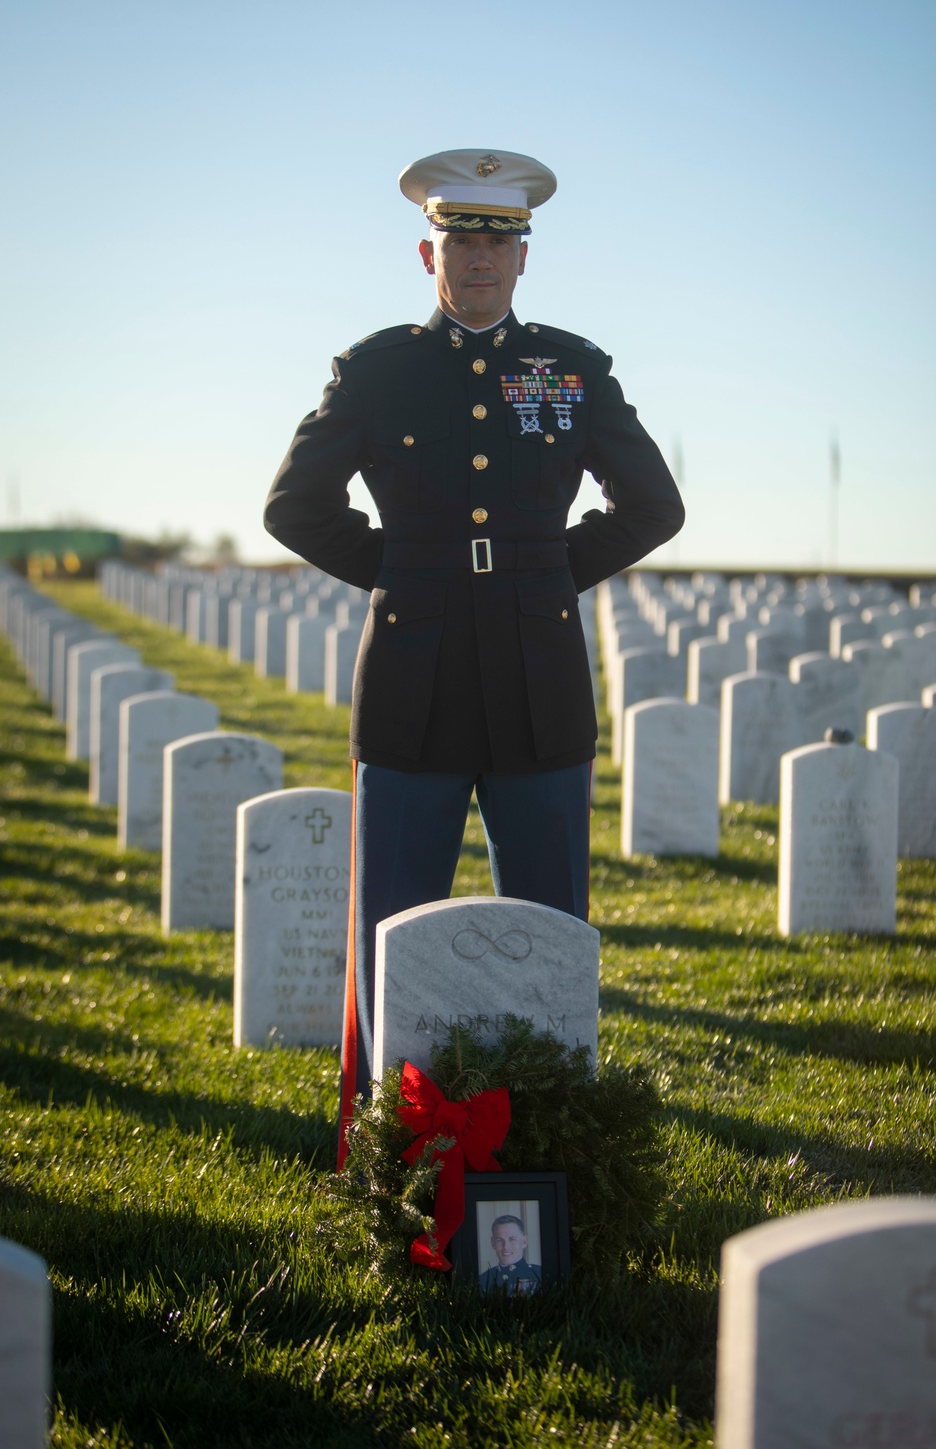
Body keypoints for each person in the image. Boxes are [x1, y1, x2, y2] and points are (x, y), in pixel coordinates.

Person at [263, 149, 685, 1162]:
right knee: (390, 930)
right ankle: (382, 1154)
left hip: (538, 684)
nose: (481, 258)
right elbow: (292, 505)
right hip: (412, 681)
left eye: (500, 239)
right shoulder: (377, 371)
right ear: (428, 251)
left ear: (524, 256)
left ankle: (550, 1154)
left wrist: (543, 576)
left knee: (548, 926)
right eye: (462, 238)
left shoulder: (572, 369)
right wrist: (401, 571)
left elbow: (655, 506)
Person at [478, 1214, 542, 1294]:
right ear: (493, 1243)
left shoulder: (539, 1274)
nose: (506, 1247)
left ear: (524, 1242)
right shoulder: (483, 1280)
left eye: (512, 1239)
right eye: (499, 1240)